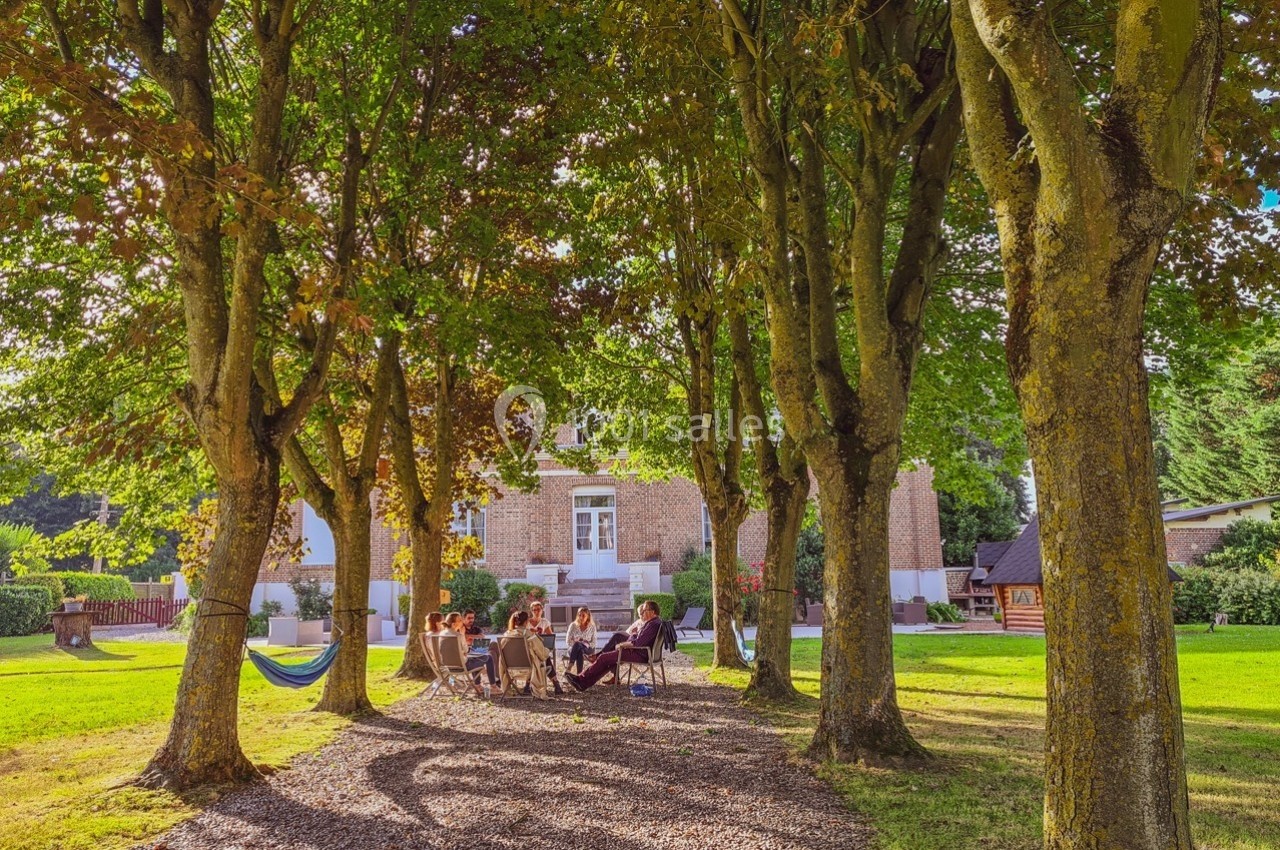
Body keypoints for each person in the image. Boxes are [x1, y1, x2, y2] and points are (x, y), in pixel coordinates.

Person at [566, 599, 660, 692]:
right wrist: (633, 635)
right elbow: (638, 639)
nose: (642, 613)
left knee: (603, 658)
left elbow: (637, 643)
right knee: (609, 660)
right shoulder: (653, 623)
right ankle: (583, 683)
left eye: (645, 610)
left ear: (652, 612)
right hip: (639, 652)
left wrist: (622, 644)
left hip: (639, 653)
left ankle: (581, 680)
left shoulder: (652, 625)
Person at [496, 611, 556, 698]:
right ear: (527, 621)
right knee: (543, 658)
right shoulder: (530, 635)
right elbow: (542, 654)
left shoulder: (506, 635)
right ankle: (551, 684)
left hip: (510, 670)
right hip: (529, 670)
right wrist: (548, 650)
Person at [445, 612, 495, 691]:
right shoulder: (458, 635)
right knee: (488, 658)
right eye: (460, 620)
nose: (462, 622)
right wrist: (462, 634)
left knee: (475, 658)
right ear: (453, 624)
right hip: (462, 666)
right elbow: (467, 650)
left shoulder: (441, 635)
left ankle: (452, 684)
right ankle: (493, 686)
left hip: (447, 667)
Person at [565, 607, 597, 673]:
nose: (581, 617)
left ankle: (570, 666)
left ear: (588, 616)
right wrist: (577, 644)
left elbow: (594, 642)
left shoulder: (592, 627)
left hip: (588, 649)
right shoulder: (573, 625)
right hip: (573, 649)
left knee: (578, 645)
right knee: (579, 650)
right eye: (579, 615)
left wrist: (584, 643)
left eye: (583, 615)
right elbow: (568, 641)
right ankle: (580, 674)